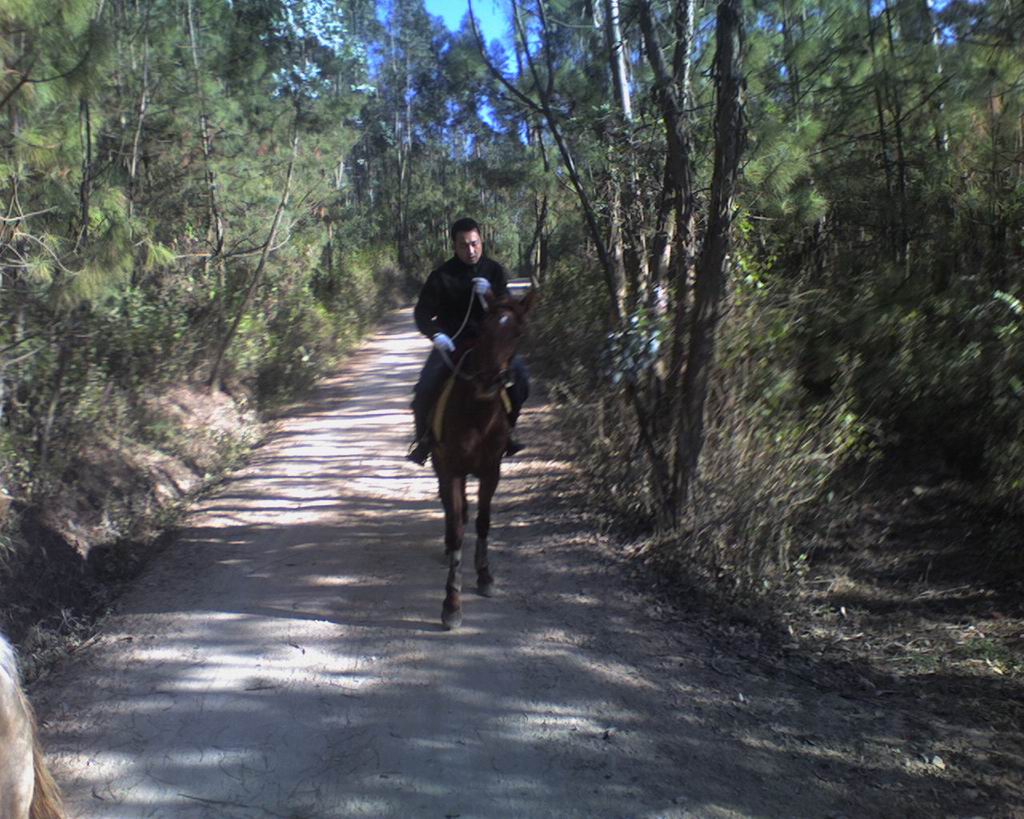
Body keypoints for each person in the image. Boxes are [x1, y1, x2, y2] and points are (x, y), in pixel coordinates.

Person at [407, 217, 529, 465]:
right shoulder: (441, 276)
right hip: (451, 344)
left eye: (474, 243)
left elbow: (507, 308)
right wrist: (435, 335)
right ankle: (424, 442)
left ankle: (509, 433)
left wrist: (489, 294)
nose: (470, 250)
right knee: (424, 389)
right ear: (454, 246)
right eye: (464, 245)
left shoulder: (494, 271)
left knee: (521, 380)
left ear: (481, 241)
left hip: (490, 345)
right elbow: (421, 314)